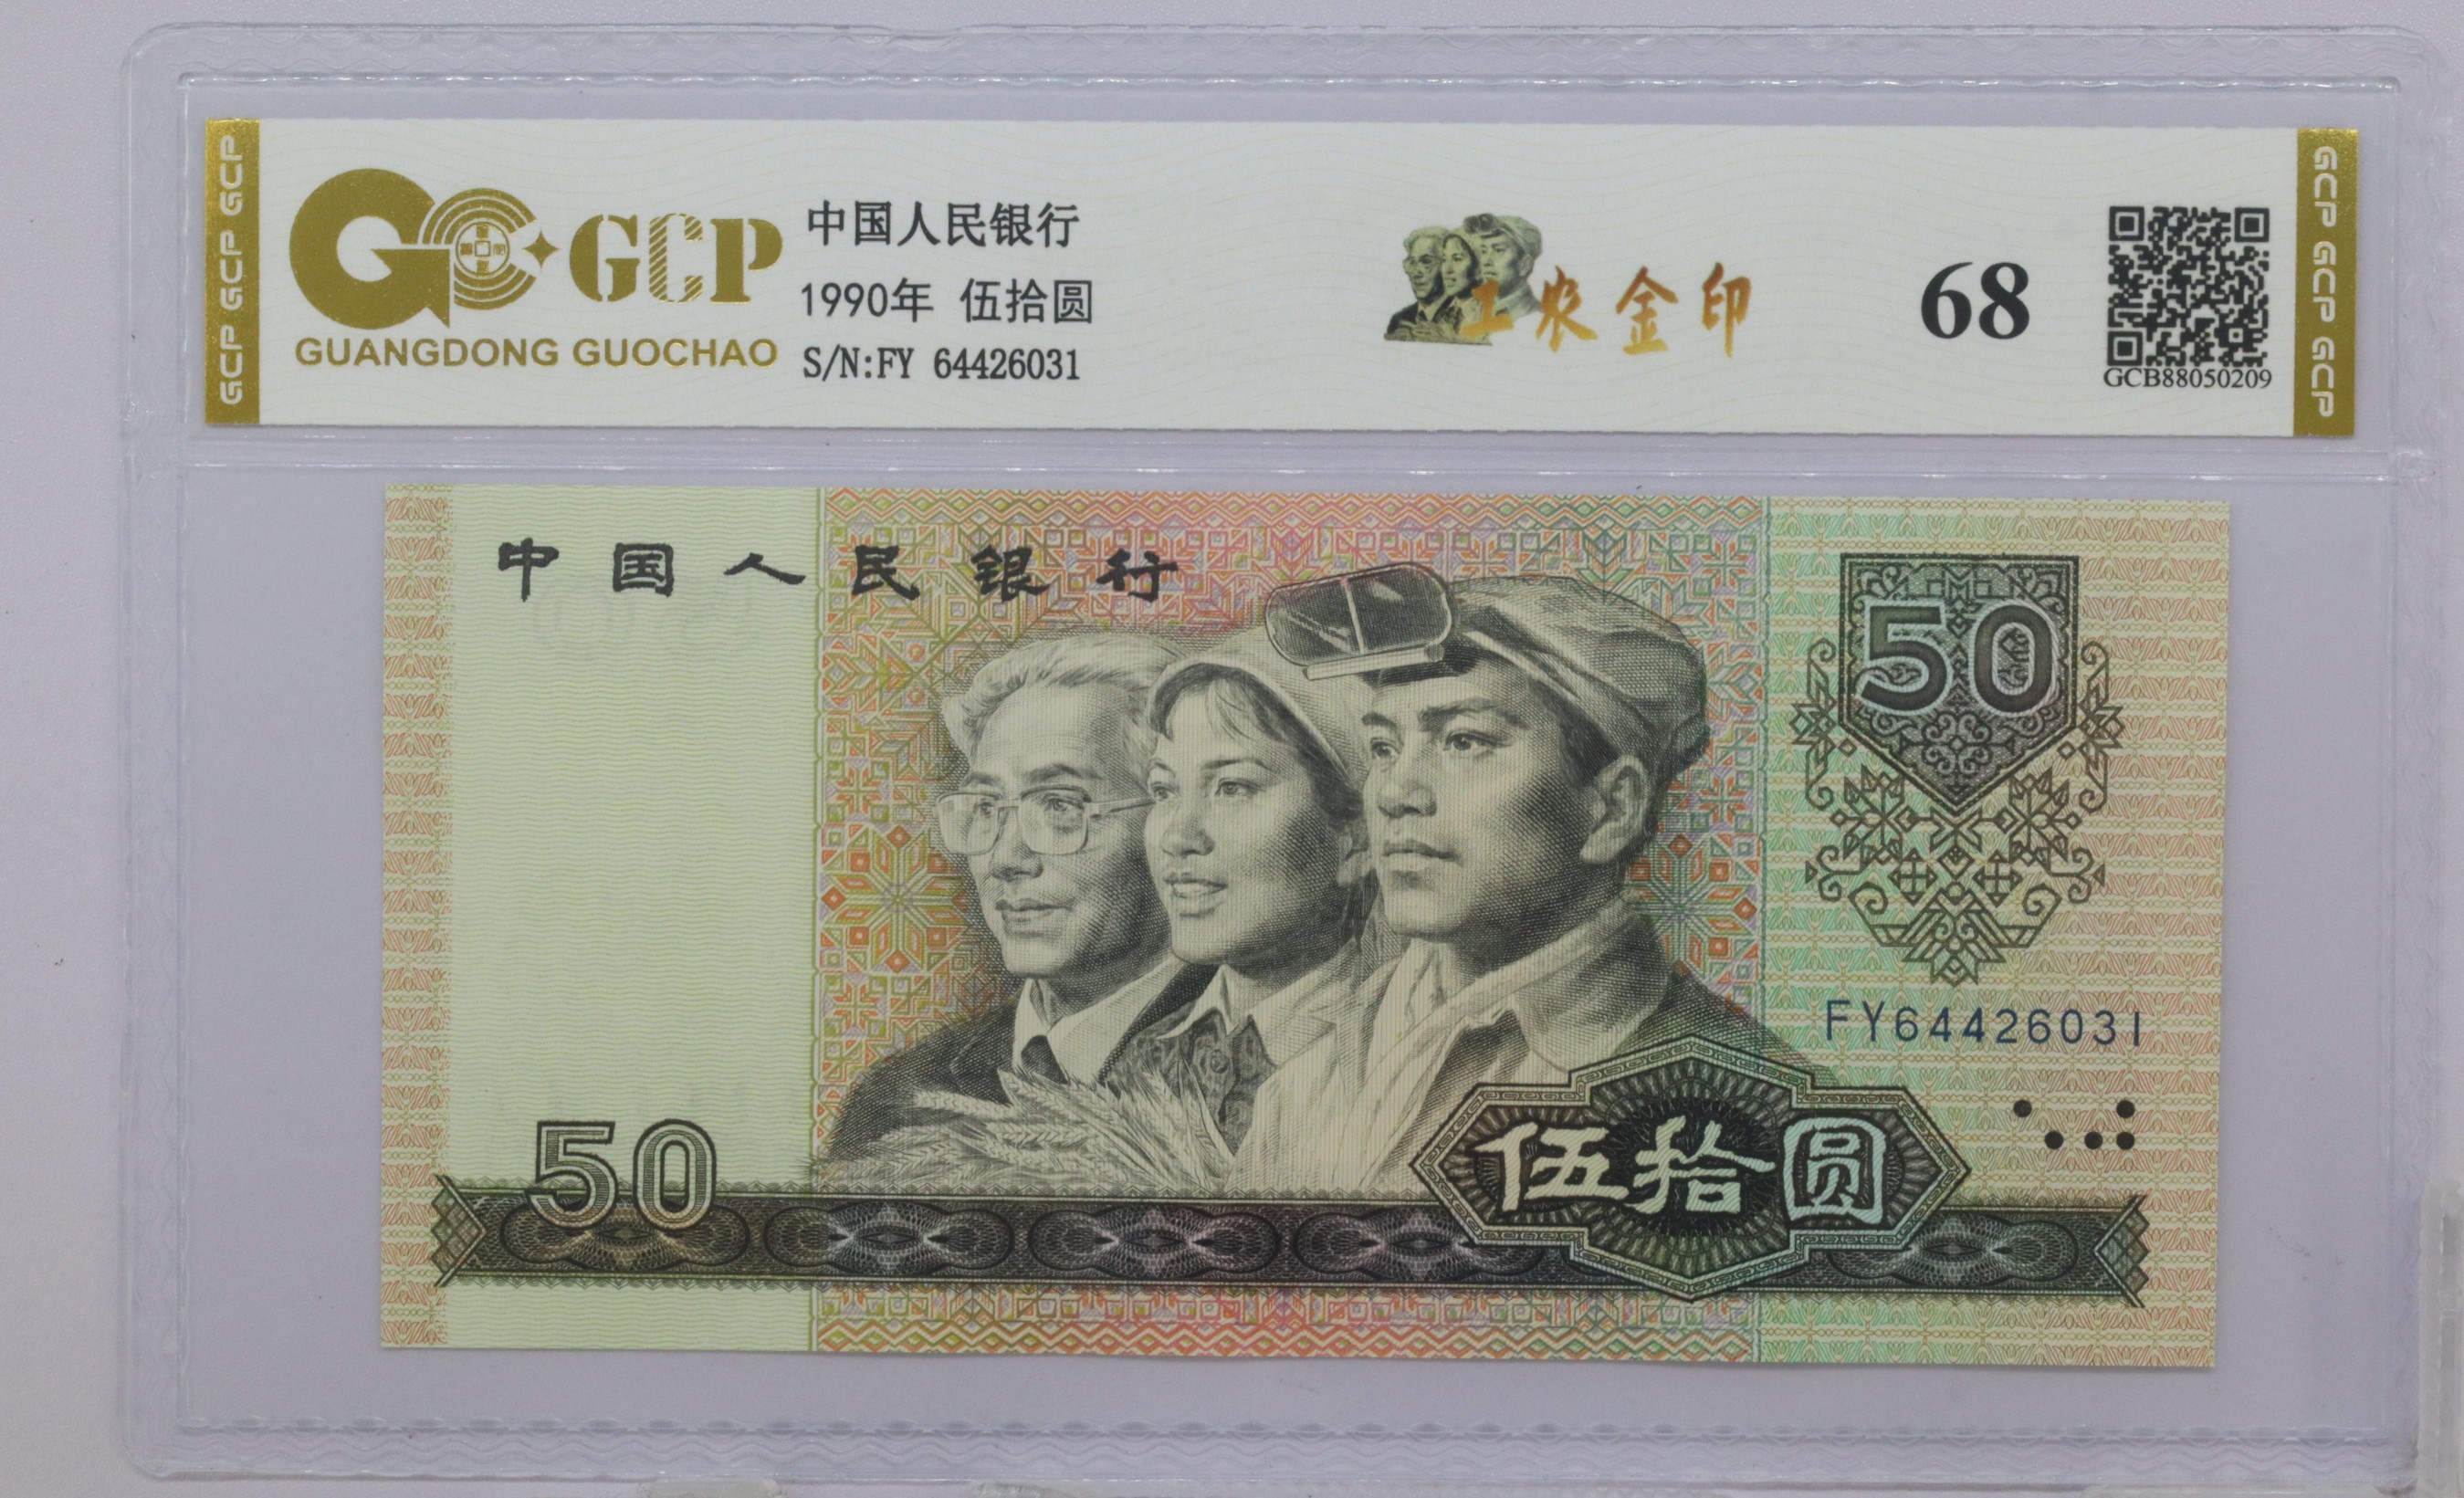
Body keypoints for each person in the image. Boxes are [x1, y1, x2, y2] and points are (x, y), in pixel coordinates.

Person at [1238, 574, 1793, 1198]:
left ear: (1612, 809)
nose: (1394, 793)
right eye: (1383, 747)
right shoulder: (1313, 1069)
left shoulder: (1741, 1102)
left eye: (1464, 741)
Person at [828, 633, 1210, 1158]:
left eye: (1060, 806)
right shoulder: (898, 1097)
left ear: (1170, 819)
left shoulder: (1258, 1074)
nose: (1006, 859)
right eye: (986, 807)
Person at [1116, 628, 1380, 1156]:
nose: (1177, 837)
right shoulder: (1142, 1061)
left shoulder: (1395, 1057)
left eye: (1232, 787)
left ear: (1354, 837)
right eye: (1164, 790)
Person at [1463, 213, 1543, 323]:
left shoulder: (1533, 317)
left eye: (1499, 250)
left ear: (1524, 265)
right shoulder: (1476, 311)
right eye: (1484, 251)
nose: (1486, 261)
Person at [1384, 226, 1455, 342]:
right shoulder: (1398, 320)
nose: (1416, 272)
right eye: (1412, 262)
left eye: (1426, 261)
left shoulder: (1463, 316)